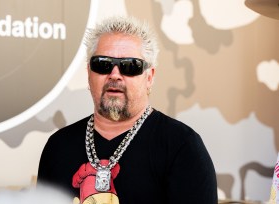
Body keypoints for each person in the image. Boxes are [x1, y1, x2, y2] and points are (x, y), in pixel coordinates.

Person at [37, 15, 218, 204]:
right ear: (89, 73)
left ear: (149, 77)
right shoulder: (58, 147)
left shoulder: (182, 147)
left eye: (130, 66)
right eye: (103, 64)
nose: (115, 75)